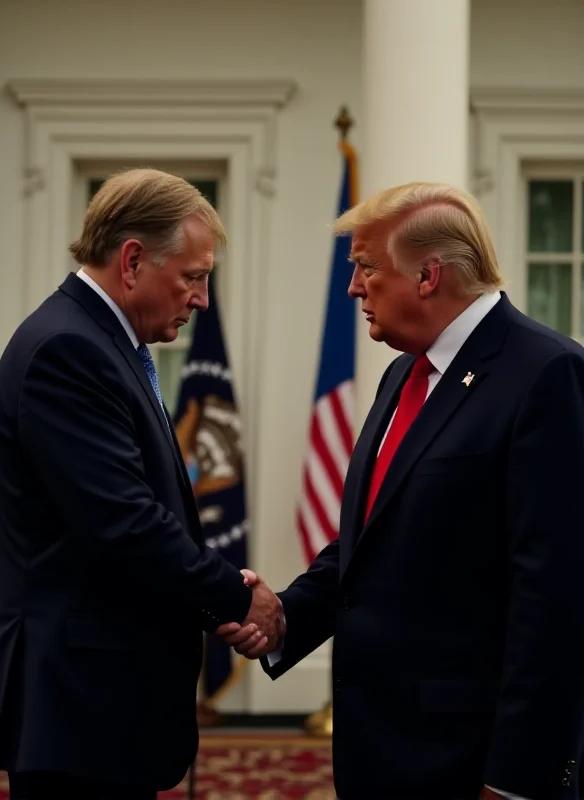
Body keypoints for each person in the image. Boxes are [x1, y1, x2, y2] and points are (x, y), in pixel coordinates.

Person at [219, 183, 584, 800]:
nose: (353, 288)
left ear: (427, 275)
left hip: (472, 761)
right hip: (380, 750)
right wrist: (286, 617)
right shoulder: (401, 373)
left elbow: (556, 597)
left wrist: (520, 778)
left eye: (365, 267)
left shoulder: (545, 373)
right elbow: (371, 543)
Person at [0, 168, 281, 800]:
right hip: (78, 707)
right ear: (131, 261)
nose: (202, 299)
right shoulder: (69, 351)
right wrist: (235, 597)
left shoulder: (98, 343)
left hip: (96, 705)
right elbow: (122, 525)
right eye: (194, 276)